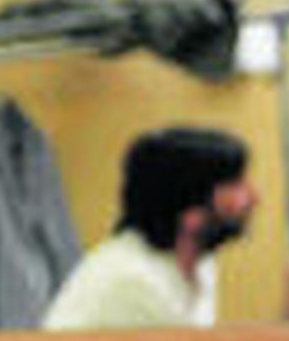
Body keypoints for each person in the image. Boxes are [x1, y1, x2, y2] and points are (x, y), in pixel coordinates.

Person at [42, 126, 261, 330]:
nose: (253, 198)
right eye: (236, 185)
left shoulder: (195, 267)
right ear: (190, 212)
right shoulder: (133, 282)